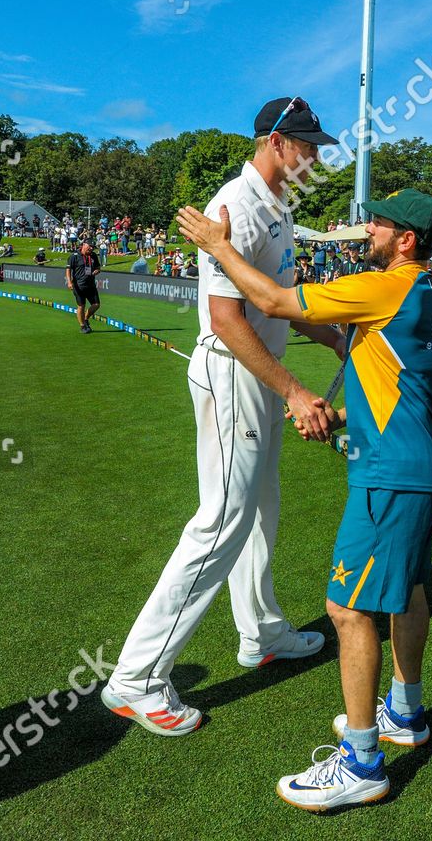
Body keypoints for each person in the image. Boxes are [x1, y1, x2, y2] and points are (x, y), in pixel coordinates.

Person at [177, 186, 432, 813]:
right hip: (419, 460)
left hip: (389, 470)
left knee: (348, 609)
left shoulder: (386, 285)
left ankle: (361, 761)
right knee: (406, 589)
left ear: (405, 240)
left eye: (378, 226)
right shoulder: (429, 294)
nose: (368, 234)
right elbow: (369, 353)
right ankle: (404, 713)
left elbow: (272, 300)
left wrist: (220, 247)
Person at [101, 98, 338, 742]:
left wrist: (339, 341)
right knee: (221, 522)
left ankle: (260, 632)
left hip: (257, 376)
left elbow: (281, 302)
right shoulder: (232, 204)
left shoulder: (279, 203)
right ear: (273, 140)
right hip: (236, 375)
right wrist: (293, 391)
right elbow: (229, 321)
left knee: (261, 509)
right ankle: (136, 677)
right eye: (306, 144)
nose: (314, 156)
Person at [66, 240, 103, 334]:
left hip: (91, 285)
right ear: (83, 245)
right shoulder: (74, 256)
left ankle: (85, 319)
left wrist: (97, 271)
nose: (91, 248)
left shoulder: (93, 255)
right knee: (81, 306)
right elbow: (68, 270)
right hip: (78, 286)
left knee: (96, 305)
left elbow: (98, 267)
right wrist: (69, 282)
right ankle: (82, 326)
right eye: (89, 246)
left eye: (92, 247)